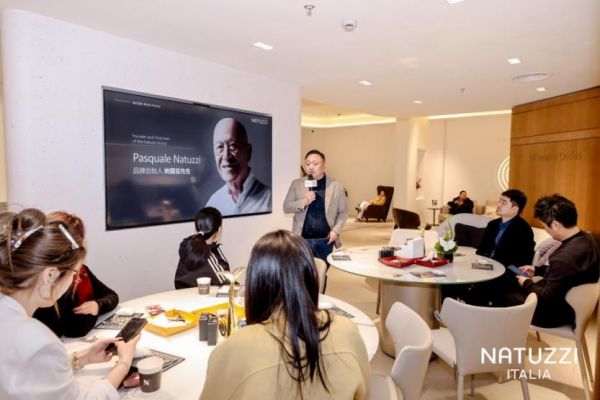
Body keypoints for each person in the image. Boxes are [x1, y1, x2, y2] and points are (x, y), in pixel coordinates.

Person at [200, 230, 369, 400]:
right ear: (311, 277)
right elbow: (363, 394)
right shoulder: (347, 331)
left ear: (256, 283)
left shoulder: (234, 349)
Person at [0, 208, 139, 399]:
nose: (75, 279)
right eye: (74, 272)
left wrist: (83, 357)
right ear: (50, 275)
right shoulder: (37, 342)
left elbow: (36, 373)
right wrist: (124, 362)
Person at [510, 195, 600, 327]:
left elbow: (546, 296)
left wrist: (526, 282)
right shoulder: (587, 238)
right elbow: (568, 273)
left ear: (555, 225)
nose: (546, 230)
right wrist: (537, 270)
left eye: (544, 226)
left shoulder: (564, 257)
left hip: (552, 314)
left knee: (503, 295)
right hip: (570, 308)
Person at [33, 211, 119, 338]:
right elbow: (76, 329)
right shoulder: (53, 284)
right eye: (74, 272)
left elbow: (112, 296)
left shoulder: (81, 271)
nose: (75, 276)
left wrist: (97, 306)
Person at [454, 189, 535, 306]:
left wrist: (492, 267)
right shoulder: (493, 224)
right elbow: (481, 250)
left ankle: (471, 308)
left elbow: (521, 261)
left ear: (515, 209)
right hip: (487, 266)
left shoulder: (523, 229)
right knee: (458, 274)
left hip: (508, 272)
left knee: (477, 287)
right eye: (499, 201)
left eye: (503, 202)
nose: (499, 204)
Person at [283, 149, 347, 265]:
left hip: (325, 240)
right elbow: (286, 207)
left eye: (315, 163)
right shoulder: (297, 184)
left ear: (324, 165)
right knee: (303, 272)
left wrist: (336, 231)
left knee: (322, 271)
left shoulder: (336, 185)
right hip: (302, 240)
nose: (311, 167)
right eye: (307, 164)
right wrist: (304, 201)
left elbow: (343, 212)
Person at [206, 117, 271, 215]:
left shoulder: (269, 198)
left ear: (248, 152)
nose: (226, 156)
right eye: (220, 147)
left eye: (233, 146)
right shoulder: (214, 203)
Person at [174, 207, 230, 288]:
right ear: (219, 229)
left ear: (195, 228)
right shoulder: (210, 255)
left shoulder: (187, 246)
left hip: (182, 295)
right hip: (207, 295)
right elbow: (226, 285)